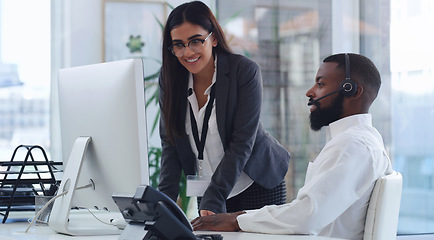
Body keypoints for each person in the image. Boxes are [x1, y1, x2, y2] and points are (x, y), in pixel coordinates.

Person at [191, 53, 394, 240]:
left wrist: (237, 221)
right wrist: (240, 217)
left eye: (320, 84)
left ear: (352, 90)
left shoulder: (352, 146)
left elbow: (307, 216)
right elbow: (306, 210)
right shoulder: (362, 140)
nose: (310, 92)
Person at [158, 1, 290, 217]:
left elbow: (242, 143)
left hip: (254, 184)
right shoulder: (169, 78)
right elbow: (170, 144)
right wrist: (163, 203)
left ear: (214, 38)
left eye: (196, 41)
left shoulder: (244, 71)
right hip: (209, 186)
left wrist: (214, 198)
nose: (187, 52)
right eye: (179, 45)